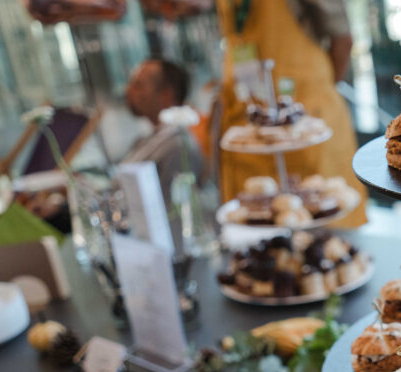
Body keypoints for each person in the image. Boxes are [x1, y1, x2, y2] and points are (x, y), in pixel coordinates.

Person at [216, 0, 367, 227]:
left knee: (325, 226)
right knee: (256, 230)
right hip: (245, 116)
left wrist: (319, 88)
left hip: (308, 115)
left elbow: (342, 39)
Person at [122, 58, 204, 198]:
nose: (128, 90)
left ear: (166, 95)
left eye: (138, 85)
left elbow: (175, 212)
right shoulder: (147, 139)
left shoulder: (179, 146)